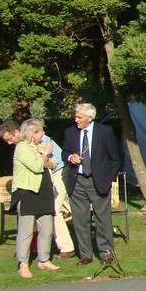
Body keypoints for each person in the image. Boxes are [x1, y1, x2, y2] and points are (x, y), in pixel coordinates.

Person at [0, 120, 75, 258]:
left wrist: (46, 161)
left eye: (10, 139)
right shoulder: (23, 146)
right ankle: (34, 249)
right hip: (39, 179)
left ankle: (66, 247)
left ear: (17, 132)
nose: (9, 143)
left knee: (54, 209)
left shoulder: (40, 138)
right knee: (37, 214)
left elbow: (55, 161)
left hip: (57, 173)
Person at [61, 103, 121, 265]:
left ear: (90, 118)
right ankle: (85, 254)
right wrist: (70, 157)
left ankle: (106, 253)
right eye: (75, 116)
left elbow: (115, 159)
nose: (76, 120)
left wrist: (109, 179)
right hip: (77, 181)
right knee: (80, 220)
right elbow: (64, 152)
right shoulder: (70, 132)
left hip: (98, 181)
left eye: (79, 117)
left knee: (103, 219)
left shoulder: (105, 132)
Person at [11, 118, 60, 278]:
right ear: (32, 134)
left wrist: (46, 157)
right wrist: (45, 155)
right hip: (28, 192)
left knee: (46, 228)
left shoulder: (39, 147)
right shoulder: (22, 148)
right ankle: (23, 263)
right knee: (26, 230)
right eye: (40, 132)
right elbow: (37, 166)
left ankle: (44, 259)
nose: (43, 134)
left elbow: (54, 162)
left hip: (44, 192)